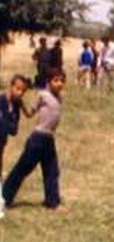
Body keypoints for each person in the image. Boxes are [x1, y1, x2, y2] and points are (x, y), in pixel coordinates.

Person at [2, 68, 69, 212]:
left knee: (51, 170)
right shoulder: (42, 95)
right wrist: (19, 103)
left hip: (49, 138)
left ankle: (52, 202)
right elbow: (29, 113)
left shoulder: (59, 98)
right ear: (48, 81)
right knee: (22, 168)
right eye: (56, 80)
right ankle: (4, 198)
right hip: (37, 139)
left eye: (62, 81)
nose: (59, 84)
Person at [0, 75, 32, 218]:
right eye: (18, 89)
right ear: (11, 86)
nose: (20, 93)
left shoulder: (16, 106)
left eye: (23, 91)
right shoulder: (1, 101)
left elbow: (14, 130)